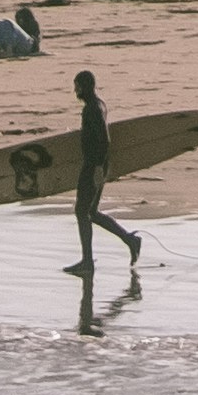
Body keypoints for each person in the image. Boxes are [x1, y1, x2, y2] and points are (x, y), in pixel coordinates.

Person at [72, 65, 141, 290]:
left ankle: (88, 262)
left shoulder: (91, 109)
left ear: (85, 87)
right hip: (96, 164)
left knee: (82, 212)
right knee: (89, 212)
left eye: (77, 87)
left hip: (94, 165)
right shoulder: (98, 105)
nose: (75, 91)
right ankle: (130, 240)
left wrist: (98, 168)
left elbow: (103, 139)